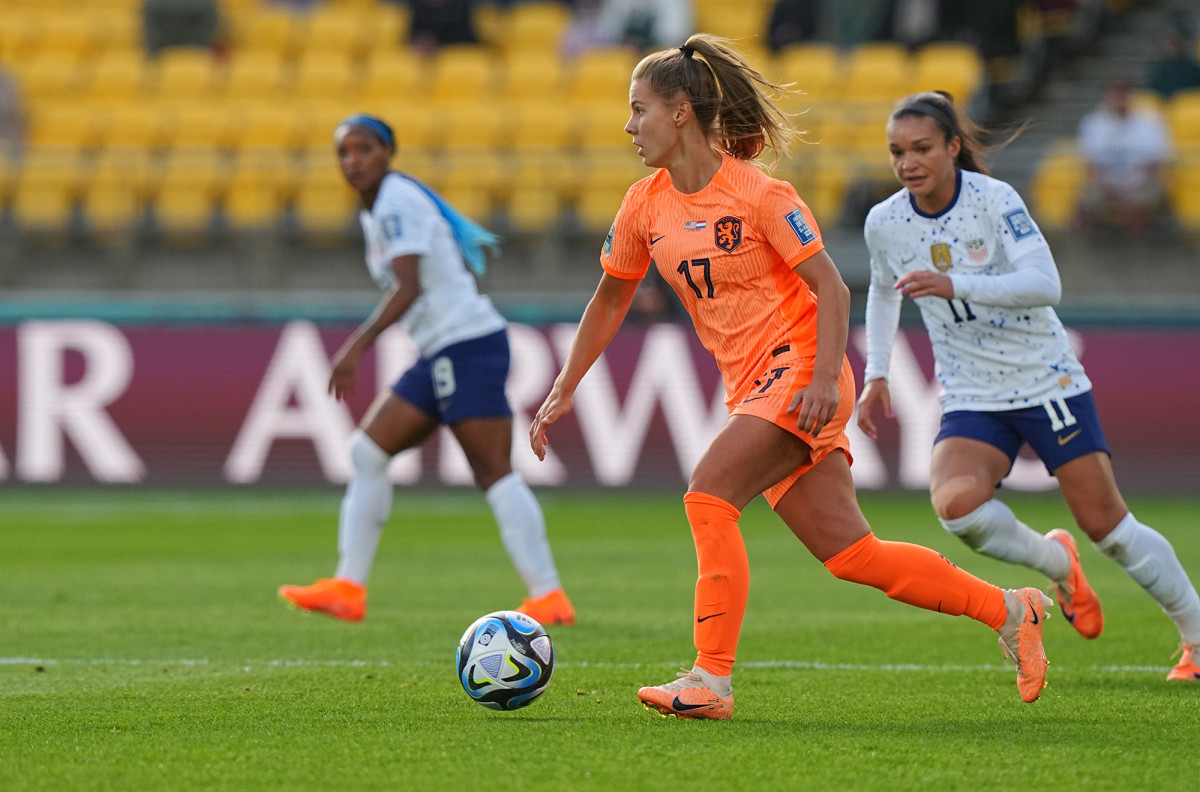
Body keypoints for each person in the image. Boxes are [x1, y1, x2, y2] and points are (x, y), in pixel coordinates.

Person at [529, 34, 1055, 721]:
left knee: (707, 495)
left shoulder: (759, 195)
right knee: (852, 554)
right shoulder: (643, 206)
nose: (629, 127)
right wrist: (568, 383)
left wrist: (816, 381)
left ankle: (710, 679)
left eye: (639, 110)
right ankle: (1012, 609)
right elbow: (610, 297)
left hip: (802, 372)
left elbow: (832, 289)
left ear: (681, 112)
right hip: (754, 387)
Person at [855, 90, 1200, 683]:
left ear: (953, 148)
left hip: (1046, 382)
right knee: (957, 508)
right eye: (896, 152)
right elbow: (884, 289)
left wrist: (956, 284)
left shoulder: (994, 200)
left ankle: (1196, 634)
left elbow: (1045, 283)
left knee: (1109, 528)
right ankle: (1057, 562)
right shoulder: (884, 221)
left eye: (921, 148)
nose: (908, 162)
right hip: (972, 392)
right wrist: (877, 372)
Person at [279, 115, 575, 627]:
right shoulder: (380, 208)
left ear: (388, 152)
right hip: (443, 351)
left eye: (364, 149)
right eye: (344, 153)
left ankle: (548, 595)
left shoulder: (395, 201)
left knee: (492, 472)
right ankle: (348, 587)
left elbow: (408, 286)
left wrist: (357, 346)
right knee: (367, 452)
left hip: (468, 345)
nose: (353, 161)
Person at [1076, 79, 1172, 235]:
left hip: (1141, 180)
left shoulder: (1150, 122)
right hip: (1105, 181)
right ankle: (1088, 247)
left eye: (1124, 93)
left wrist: (1129, 184)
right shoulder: (1093, 123)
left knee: (1136, 204)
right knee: (1085, 204)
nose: (1120, 98)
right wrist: (1110, 183)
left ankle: (1135, 249)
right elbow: (1091, 164)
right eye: (1116, 93)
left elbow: (1155, 163)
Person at [1146, 11, 1200, 99]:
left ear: (1184, 40)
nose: (1173, 43)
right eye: (1169, 39)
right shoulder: (1157, 71)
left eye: (1176, 39)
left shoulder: (1195, 71)